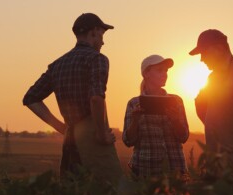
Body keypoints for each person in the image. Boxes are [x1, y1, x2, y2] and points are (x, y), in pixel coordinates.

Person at [23, 13, 122, 183]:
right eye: (101, 35)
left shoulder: (57, 65)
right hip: (93, 142)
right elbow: (96, 98)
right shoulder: (97, 59)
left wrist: (62, 127)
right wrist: (101, 133)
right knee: (106, 192)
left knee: (72, 194)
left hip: (70, 142)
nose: (103, 42)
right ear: (93, 32)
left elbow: (30, 99)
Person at [190, 29, 233, 168]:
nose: (202, 59)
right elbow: (203, 107)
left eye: (204, 52)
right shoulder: (212, 78)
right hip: (219, 166)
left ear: (220, 48)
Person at [122, 55, 189, 177]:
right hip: (145, 170)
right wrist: (135, 121)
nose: (165, 74)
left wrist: (175, 121)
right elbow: (128, 141)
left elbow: (183, 137)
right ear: (146, 74)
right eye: (159, 70)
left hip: (175, 170)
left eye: (166, 70)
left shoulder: (176, 101)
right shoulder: (134, 103)